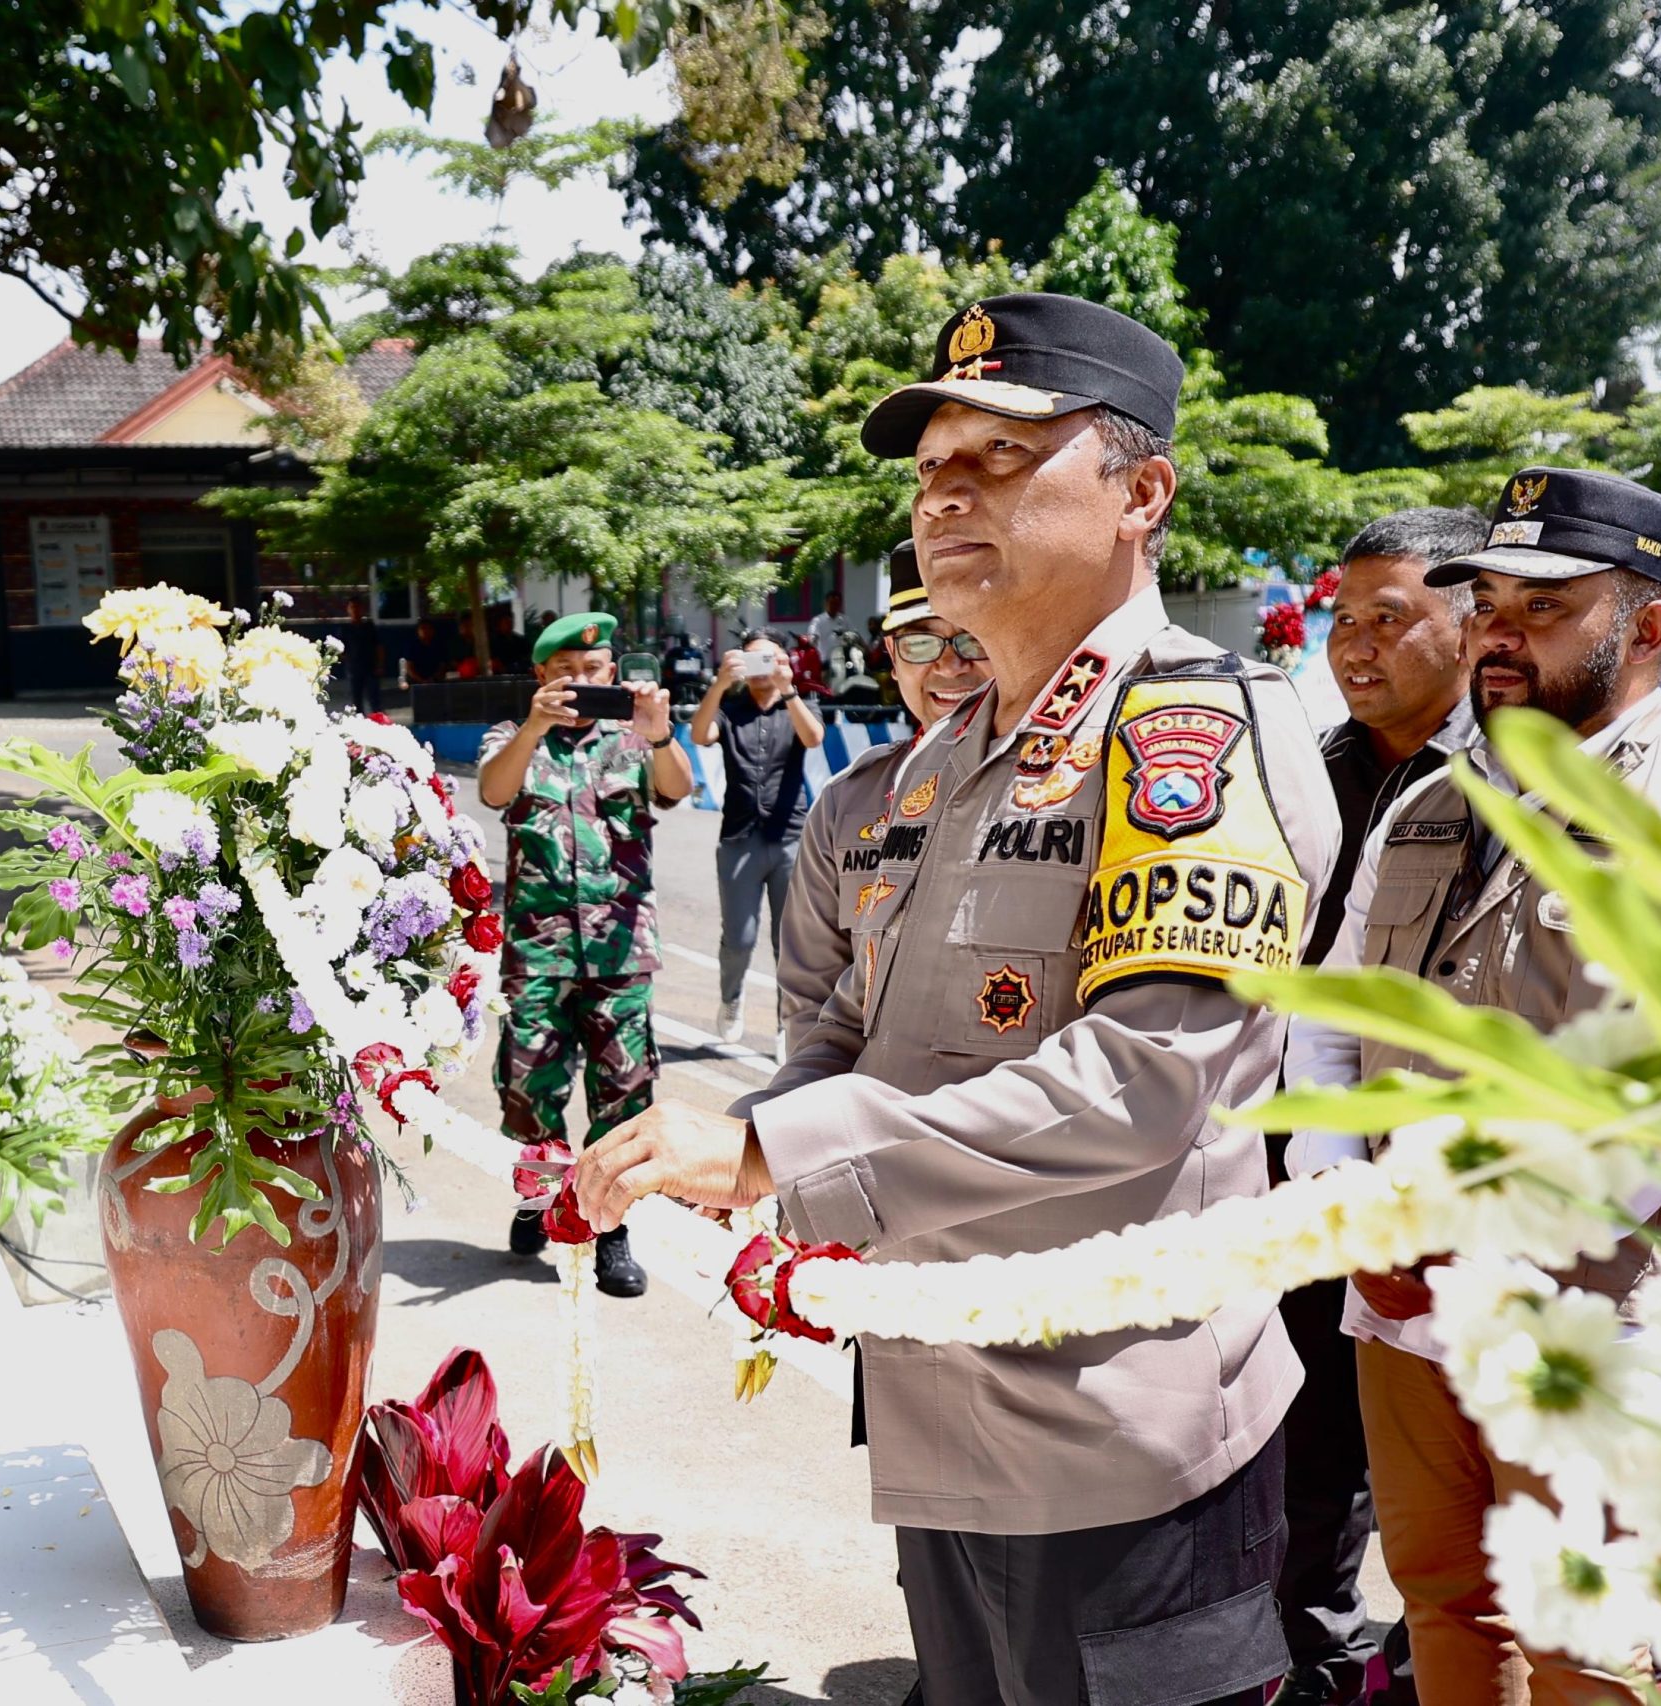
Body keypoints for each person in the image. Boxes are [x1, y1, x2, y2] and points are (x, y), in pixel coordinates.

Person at [576, 292, 1340, 1705]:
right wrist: (733, 1138)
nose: (945, 496)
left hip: (1116, 1433)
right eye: (932, 469)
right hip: (940, 1400)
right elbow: (845, 1042)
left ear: (1140, 493)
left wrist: (770, 1154)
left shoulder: (1189, 732)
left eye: (1001, 456)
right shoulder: (927, 772)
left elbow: (1140, 1084)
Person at [1286, 467, 1661, 1704]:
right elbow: (1327, 1015)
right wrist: (1345, 1192)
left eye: (1544, 605)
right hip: (1400, 1308)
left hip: (1595, 1321)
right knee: (1441, 1602)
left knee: (1592, 1652)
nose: (1498, 632)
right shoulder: (1430, 800)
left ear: (1651, 629)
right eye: (1491, 601)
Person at [1275, 506, 1485, 1706]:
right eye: (1341, 620)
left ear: (1468, 625)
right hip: (1314, 1173)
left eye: (1388, 618)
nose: (1354, 646)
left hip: (1469, 1206)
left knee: (1461, 1515)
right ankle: (1319, 1665)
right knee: (1309, 1463)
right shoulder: (1315, 768)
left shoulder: (1513, 774)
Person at [477, 611, 693, 1298]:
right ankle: (540, 1200)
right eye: (567, 670)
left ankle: (611, 1231)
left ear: (613, 673)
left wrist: (659, 735)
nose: (582, 681)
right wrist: (536, 725)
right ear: (541, 676)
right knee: (528, 1092)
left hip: (621, 952)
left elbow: (678, 787)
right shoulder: (511, 737)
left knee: (623, 1100)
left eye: (594, 670)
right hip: (538, 954)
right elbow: (494, 790)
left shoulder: (634, 741)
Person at [777, 539, 993, 1060]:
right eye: (921, 643)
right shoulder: (846, 804)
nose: (949, 665)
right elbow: (810, 997)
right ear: (893, 660)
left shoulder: (1072, 784)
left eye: (973, 639)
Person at [689, 631, 824, 1044]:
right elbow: (699, 735)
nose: (762, 669)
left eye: (771, 659)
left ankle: (787, 1023)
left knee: (789, 940)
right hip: (740, 837)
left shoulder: (799, 705)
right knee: (740, 937)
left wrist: (789, 691)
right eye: (753, 661)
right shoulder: (729, 710)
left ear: (784, 661)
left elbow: (813, 737)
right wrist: (719, 684)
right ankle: (731, 997)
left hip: (790, 836)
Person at [338, 594, 383, 715]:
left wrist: (379, 665)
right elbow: (340, 649)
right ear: (348, 609)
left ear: (362, 609)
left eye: (357, 607)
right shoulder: (345, 629)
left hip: (371, 667)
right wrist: (347, 659)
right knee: (356, 700)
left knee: (374, 699)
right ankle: (360, 722)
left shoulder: (369, 627)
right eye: (352, 607)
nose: (355, 610)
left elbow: (378, 646)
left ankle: (378, 722)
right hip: (354, 669)